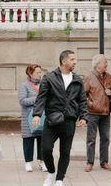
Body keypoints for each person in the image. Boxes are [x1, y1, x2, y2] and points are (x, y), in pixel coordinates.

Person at [32, 50, 88, 186]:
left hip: (69, 121)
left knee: (65, 152)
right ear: (64, 61)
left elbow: (82, 100)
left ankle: (59, 179)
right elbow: (41, 97)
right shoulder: (49, 77)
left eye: (75, 60)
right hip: (52, 120)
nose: (75, 62)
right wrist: (37, 114)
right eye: (72, 59)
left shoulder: (77, 80)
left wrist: (84, 117)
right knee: (45, 149)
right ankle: (51, 173)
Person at [83, 54, 111, 172]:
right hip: (92, 113)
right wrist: (90, 104)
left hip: (106, 113)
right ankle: (89, 162)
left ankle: (104, 162)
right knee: (91, 139)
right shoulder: (88, 76)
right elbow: (82, 95)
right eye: (105, 62)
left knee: (105, 138)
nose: (107, 64)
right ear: (97, 64)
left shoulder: (108, 76)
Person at [18, 64, 47, 172]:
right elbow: (22, 101)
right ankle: (28, 163)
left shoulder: (43, 84)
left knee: (42, 140)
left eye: (40, 72)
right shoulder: (25, 85)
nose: (40, 74)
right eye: (38, 72)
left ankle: (42, 162)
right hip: (28, 118)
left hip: (42, 117)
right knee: (28, 140)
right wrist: (37, 98)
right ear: (31, 73)